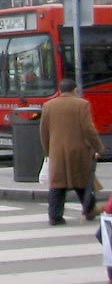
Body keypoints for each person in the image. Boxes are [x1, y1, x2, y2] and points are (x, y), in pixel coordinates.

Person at [40, 77, 105, 224]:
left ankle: (55, 216)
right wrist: (99, 148)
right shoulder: (82, 105)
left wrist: (48, 151)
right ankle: (89, 210)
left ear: (60, 90)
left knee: (57, 185)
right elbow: (89, 130)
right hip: (79, 151)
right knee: (83, 182)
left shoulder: (48, 106)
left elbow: (43, 132)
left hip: (57, 152)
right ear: (75, 90)